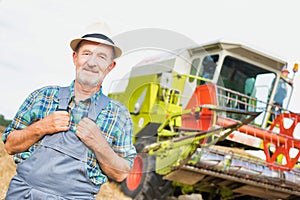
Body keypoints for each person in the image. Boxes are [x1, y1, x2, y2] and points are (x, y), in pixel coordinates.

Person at [3, 26, 137, 199]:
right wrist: (41, 127)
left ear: (110, 66)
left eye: (101, 57)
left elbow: (121, 173)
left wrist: (99, 144)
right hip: (23, 194)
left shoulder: (119, 116)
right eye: (86, 53)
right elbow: (10, 146)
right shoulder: (43, 96)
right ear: (75, 57)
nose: (91, 62)